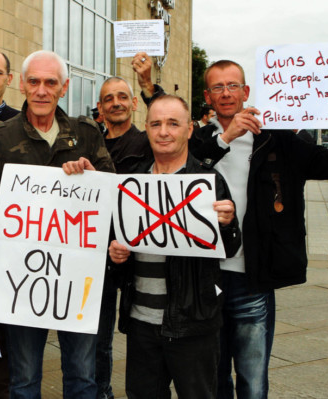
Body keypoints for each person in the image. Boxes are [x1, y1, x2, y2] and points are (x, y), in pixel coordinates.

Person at [189, 60, 328, 399]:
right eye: (218, 87)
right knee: (212, 379)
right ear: (208, 96)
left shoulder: (276, 139)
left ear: (246, 92)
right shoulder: (197, 140)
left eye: (233, 86)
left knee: (252, 381)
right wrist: (225, 138)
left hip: (250, 277)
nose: (226, 93)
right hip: (202, 278)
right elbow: (180, 173)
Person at [63, 94, 240, 398]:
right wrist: (116, 255)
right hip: (142, 323)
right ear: (146, 129)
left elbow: (230, 247)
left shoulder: (207, 180)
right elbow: (115, 243)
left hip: (193, 324)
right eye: (156, 124)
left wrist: (227, 224)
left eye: (173, 123)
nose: (163, 131)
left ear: (189, 130)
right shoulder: (131, 180)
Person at [0, 50, 115, 398]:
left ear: (64, 88)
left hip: (77, 282)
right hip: (21, 282)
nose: (42, 90)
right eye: (34, 81)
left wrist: (94, 177)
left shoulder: (87, 133)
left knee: (82, 378)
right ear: (22, 85)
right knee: (24, 380)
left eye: (50, 82)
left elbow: (112, 197)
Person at [94, 73, 151, 399]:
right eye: (108, 98)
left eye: (121, 96)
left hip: (138, 258)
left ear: (132, 103)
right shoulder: (91, 143)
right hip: (97, 258)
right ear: (100, 108)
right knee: (98, 341)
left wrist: (148, 88)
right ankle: (102, 394)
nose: (116, 102)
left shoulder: (146, 142)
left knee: (144, 338)